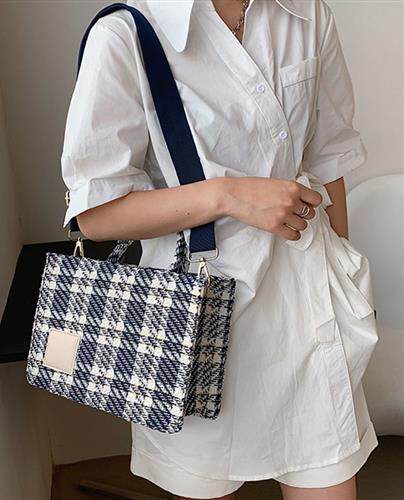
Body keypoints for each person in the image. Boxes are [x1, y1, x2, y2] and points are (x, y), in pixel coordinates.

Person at [61, 0, 379, 498]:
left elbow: (329, 155)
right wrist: (226, 195)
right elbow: (96, 215)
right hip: (195, 317)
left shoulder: (306, 13)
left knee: (329, 473)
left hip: (308, 303)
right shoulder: (126, 32)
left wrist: (345, 264)